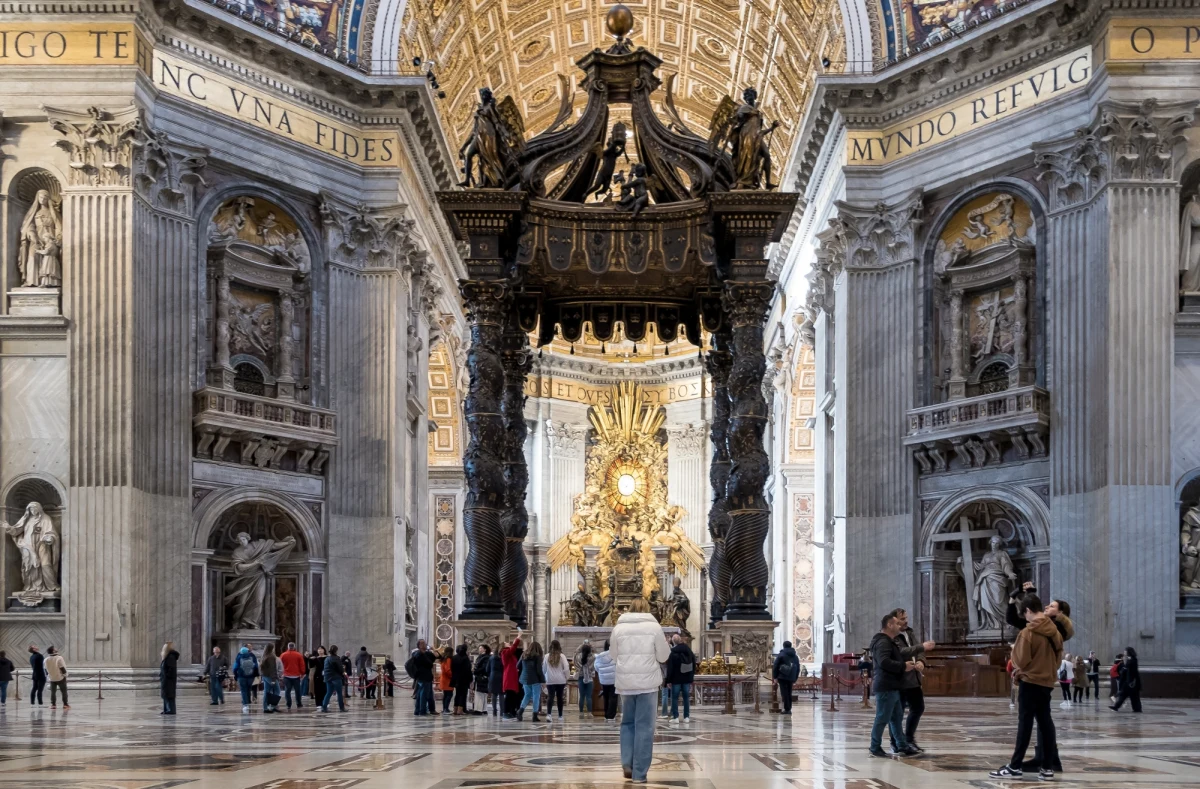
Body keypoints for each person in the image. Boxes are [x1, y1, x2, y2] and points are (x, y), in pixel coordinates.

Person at [989, 593, 1062, 781]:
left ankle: (1015, 766)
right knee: (1046, 724)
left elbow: (1020, 661)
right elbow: (1058, 659)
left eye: (1025, 615)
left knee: (1025, 724)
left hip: (1030, 682)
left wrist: (1014, 650)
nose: (1026, 619)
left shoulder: (1028, 633)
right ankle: (1047, 768)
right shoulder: (1055, 631)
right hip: (1046, 682)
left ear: (1028, 611)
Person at [610, 597, 670, 783]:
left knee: (627, 723)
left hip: (626, 683)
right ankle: (639, 773)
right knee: (645, 726)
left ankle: (627, 763)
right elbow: (663, 656)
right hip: (647, 684)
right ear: (647, 609)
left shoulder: (618, 628)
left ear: (629, 609)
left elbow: (613, 655)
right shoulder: (654, 628)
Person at [868, 612, 918, 758]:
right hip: (886, 686)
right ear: (889, 625)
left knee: (896, 717)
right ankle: (874, 746)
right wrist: (903, 666)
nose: (899, 625)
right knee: (882, 717)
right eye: (896, 623)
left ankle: (902, 745)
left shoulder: (889, 641)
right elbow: (884, 662)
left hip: (893, 685)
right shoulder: (883, 642)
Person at [893, 610, 935, 751]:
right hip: (900, 679)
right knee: (897, 712)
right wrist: (921, 646)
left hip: (914, 679)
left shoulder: (910, 632)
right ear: (894, 620)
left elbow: (919, 651)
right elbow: (902, 651)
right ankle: (896, 742)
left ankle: (909, 739)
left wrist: (921, 661)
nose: (906, 621)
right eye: (902, 618)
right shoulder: (892, 636)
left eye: (906, 617)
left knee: (918, 707)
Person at [665, 633, 695, 727]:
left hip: (676, 679)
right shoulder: (689, 651)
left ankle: (676, 717)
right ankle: (686, 717)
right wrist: (691, 678)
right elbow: (693, 664)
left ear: (673, 642)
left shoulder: (673, 652)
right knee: (686, 698)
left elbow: (670, 668)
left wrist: (668, 681)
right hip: (686, 679)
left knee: (674, 698)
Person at [517, 640, 545, 722]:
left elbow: (518, 665)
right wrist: (543, 681)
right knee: (536, 696)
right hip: (535, 679)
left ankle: (520, 711)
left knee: (527, 695)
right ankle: (534, 715)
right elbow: (539, 670)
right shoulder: (537, 656)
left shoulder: (524, 654)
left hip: (525, 679)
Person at [407, 639, 436, 716]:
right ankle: (422, 711)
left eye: (425, 643)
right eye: (422, 643)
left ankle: (418, 710)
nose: (425, 645)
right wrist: (425, 655)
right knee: (423, 695)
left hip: (426, 676)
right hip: (423, 677)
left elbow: (435, 657)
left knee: (421, 694)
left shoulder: (425, 653)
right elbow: (429, 664)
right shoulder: (418, 654)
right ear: (419, 645)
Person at [773, 639, 801, 715]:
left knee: (784, 693)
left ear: (783, 646)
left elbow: (775, 666)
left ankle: (787, 709)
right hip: (791, 676)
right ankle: (789, 708)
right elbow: (798, 667)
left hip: (782, 676)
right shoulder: (795, 656)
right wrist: (795, 677)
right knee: (789, 692)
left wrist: (775, 677)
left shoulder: (781, 654)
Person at [544, 640, 570, 722]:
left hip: (550, 679)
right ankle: (560, 716)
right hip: (560, 680)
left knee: (550, 697)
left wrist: (544, 678)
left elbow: (543, 669)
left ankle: (549, 715)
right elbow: (566, 668)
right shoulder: (562, 656)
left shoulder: (546, 656)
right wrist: (567, 677)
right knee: (560, 697)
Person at [1111, 647, 1142, 713]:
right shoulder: (1129, 659)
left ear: (1129, 652)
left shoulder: (1133, 660)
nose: (1124, 652)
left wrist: (1126, 663)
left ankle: (1137, 709)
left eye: (1125, 651)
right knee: (1124, 695)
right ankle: (1116, 706)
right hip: (1128, 681)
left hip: (1132, 682)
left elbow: (1133, 670)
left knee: (1134, 697)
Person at [595, 638, 618, 724]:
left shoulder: (600, 656)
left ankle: (606, 714)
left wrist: (602, 672)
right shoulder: (615, 655)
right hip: (613, 679)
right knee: (613, 697)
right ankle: (611, 715)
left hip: (603, 680)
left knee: (606, 697)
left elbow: (596, 667)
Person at [501, 637, 523, 719]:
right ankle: (506, 712)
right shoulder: (504, 652)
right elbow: (512, 649)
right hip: (509, 677)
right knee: (509, 695)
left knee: (513, 695)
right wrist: (517, 638)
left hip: (513, 676)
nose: (508, 643)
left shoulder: (510, 654)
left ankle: (512, 711)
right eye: (506, 643)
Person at [233, 645, 259, 713]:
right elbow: (256, 666)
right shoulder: (252, 656)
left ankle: (245, 704)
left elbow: (235, 667)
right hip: (251, 676)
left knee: (243, 690)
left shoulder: (239, 657)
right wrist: (256, 675)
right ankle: (248, 701)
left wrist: (235, 675)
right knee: (248, 689)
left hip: (241, 676)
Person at [280, 642, 306, 710]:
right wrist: (302, 673)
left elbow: (280, 665)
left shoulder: (283, 655)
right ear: (294, 647)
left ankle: (288, 704)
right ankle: (299, 703)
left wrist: (281, 673)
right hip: (296, 675)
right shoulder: (298, 655)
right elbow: (302, 665)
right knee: (298, 691)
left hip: (286, 675)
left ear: (288, 647)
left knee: (287, 690)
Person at [321, 644, 346, 712]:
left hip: (328, 677)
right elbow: (339, 668)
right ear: (336, 651)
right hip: (336, 678)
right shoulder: (336, 658)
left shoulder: (327, 658)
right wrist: (342, 673)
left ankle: (324, 707)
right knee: (339, 693)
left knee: (328, 693)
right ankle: (341, 707)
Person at [451, 644, 473, 715]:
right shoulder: (465, 658)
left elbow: (452, 668)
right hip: (464, 679)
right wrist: (471, 678)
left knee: (457, 694)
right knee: (463, 694)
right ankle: (460, 710)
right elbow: (468, 670)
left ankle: (455, 709)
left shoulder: (454, 657)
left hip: (456, 678)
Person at [574, 640, 595, 714]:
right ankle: (589, 712)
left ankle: (581, 712)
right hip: (589, 678)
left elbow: (576, 652)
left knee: (582, 696)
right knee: (589, 697)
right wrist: (590, 647)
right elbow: (594, 667)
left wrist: (582, 645)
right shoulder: (592, 657)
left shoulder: (578, 656)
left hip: (580, 677)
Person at [159, 642, 179, 715]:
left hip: (169, 680)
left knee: (169, 695)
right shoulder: (167, 657)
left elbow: (171, 669)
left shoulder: (170, 657)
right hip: (165, 680)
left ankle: (171, 709)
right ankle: (166, 709)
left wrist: (166, 675)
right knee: (166, 695)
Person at [260, 643, 281, 713]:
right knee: (277, 691)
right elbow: (272, 669)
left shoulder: (264, 656)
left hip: (265, 676)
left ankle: (265, 707)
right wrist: (274, 679)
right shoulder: (271, 657)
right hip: (270, 676)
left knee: (266, 692)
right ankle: (272, 706)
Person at [472, 645, 491, 714]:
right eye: (479, 648)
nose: (479, 649)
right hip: (483, 677)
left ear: (485, 649)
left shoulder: (485, 657)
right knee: (483, 694)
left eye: (481, 648)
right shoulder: (483, 657)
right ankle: (484, 709)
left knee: (479, 693)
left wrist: (475, 671)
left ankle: (478, 709)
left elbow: (484, 668)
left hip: (481, 677)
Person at [488, 643, 505, 716]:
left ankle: (494, 710)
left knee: (494, 694)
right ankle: (502, 711)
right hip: (501, 676)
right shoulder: (503, 657)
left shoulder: (491, 658)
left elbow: (487, 669)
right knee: (501, 694)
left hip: (493, 676)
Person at [438, 646, 455, 713]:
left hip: (444, 678)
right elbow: (448, 670)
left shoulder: (443, 658)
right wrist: (452, 676)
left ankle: (445, 708)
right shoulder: (448, 659)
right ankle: (446, 708)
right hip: (447, 679)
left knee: (445, 694)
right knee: (449, 694)